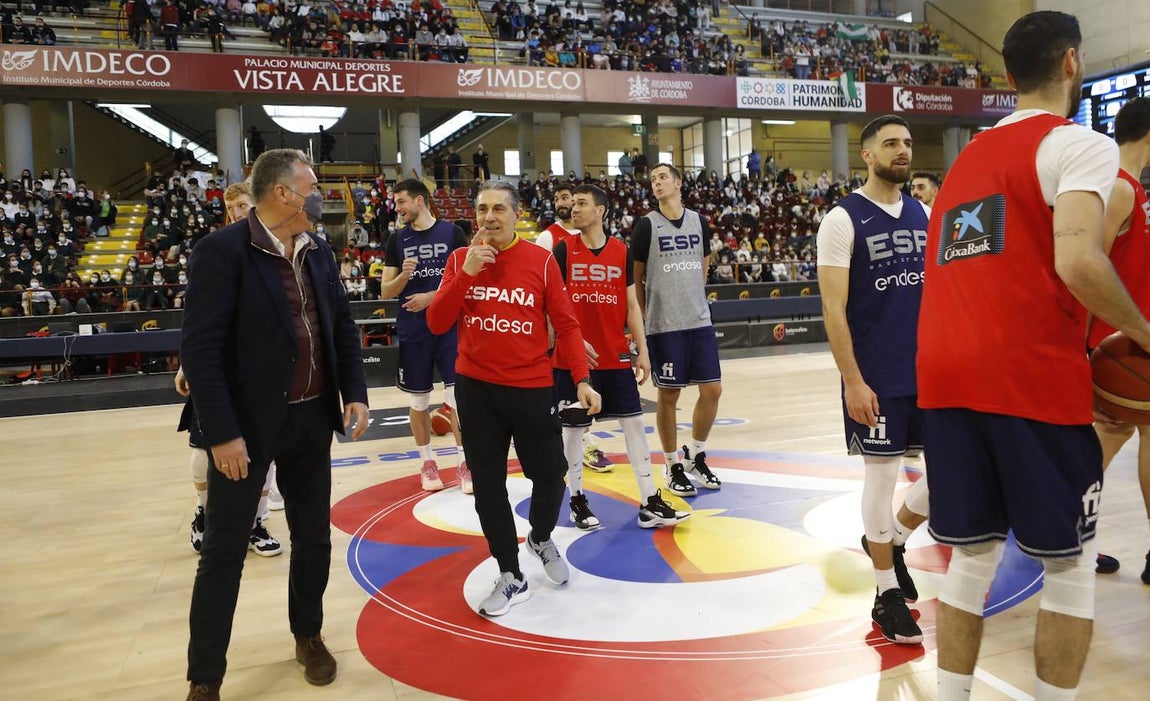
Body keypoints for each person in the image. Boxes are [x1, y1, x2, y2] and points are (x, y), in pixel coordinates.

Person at [917, 11, 1150, 700]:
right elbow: (1078, 260)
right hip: (1026, 375)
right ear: (1072, 63)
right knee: (1070, 566)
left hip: (946, 376)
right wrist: (1142, 328)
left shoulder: (965, 160)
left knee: (971, 558)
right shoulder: (1080, 145)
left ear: (1010, 75)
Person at [180, 149, 369, 700]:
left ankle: (307, 635)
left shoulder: (318, 250)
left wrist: (353, 391)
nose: (322, 194)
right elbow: (202, 349)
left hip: (311, 416)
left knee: (313, 538)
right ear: (283, 193)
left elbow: (340, 326)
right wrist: (220, 433)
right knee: (223, 550)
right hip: (246, 427)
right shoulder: (221, 252)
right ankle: (205, 676)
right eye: (313, 185)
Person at [426, 180, 602, 618]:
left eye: (499, 209)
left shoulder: (541, 261)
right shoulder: (457, 261)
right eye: (482, 209)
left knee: (551, 475)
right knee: (487, 486)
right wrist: (465, 276)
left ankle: (540, 538)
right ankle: (509, 573)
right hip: (476, 389)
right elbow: (437, 322)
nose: (489, 217)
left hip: (531, 387)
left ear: (514, 214)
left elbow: (566, 325)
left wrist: (581, 378)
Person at [816, 114, 931, 646]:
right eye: (890, 144)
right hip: (877, 376)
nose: (902, 151)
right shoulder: (842, 220)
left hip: (930, 372)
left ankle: (894, 540)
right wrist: (852, 381)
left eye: (907, 142)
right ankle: (886, 594)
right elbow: (833, 310)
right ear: (867, 155)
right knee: (881, 480)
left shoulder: (926, 213)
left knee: (949, 477)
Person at [554, 183, 690, 529]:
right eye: (574, 203)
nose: (575, 208)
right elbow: (550, 303)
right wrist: (570, 341)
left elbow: (631, 304)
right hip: (573, 360)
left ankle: (649, 500)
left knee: (634, 424)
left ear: (601, 211)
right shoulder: (562, 250)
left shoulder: (620, 251)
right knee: (573, 431)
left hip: (614, 355)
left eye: (582, 203)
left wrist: (643, 350)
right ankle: (577, 500)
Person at [177, 182, 285, 564]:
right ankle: (204, 512)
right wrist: (186, 361)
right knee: (203, 450)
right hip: (216, 369)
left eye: (243, 205)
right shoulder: (215, 249)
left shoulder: (277, 249)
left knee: (265, 455)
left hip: (261, 372)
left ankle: (256, 522)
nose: (238, 212)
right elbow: (198, 317)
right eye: (233, 207)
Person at [630, 163, 723, 498]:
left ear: (678, 183)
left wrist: (691, 298)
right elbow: (636, 278)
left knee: (713, 390)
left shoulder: (699, 221)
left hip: (698, 321)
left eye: (662, 177)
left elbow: (704, 266)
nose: (656, 183)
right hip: (663, 325)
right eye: (652, 179)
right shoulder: (645, 226)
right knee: (669, 396)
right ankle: (672, 465)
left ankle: (695, 453)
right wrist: (642, 319)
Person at [1086, 96, 1150, 581]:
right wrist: (1087, 343)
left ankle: (1067, 537)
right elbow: (1089, 264)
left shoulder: (1133, 190)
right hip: (1119, 342)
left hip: (1128, 336)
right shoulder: (1120, 188)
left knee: (1105, 438)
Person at [379, 178, 471, 492]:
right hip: (413, 329)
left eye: (402, 201)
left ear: (420, 200)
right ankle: (427, 462)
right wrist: (404, 275)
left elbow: (466, 278)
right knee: (419, 400)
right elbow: (385, 291)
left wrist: (433, 297)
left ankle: (464, 462)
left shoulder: (453, 233)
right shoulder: (396, 240)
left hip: (449, 327)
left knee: (456, 397)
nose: (398, 208)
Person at [533, 182, 616, 473]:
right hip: (562, 329)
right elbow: (542, 285)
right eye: (557, 198)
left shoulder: (599, 239)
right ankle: (572, 447)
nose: (563, 203)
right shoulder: (549, 237)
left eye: (567, 198)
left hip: (595, 326)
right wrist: (549, 329)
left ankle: (585, 443)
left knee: (586, 392)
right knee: (562, 395)